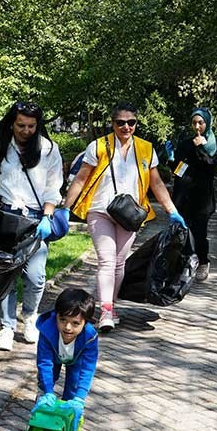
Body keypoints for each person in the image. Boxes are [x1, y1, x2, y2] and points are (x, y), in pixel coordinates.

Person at [61, 102, 186, 332]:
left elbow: (156, 182)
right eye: (121, 123)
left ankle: (112, 306)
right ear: (113, 124)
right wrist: (65, 208)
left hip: (130, 214)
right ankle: (106, 312)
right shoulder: (98, 146)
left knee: (120, 264)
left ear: (136, 124)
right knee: (107, 261)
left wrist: (173, 211)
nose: (126, 127)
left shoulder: (146, 148)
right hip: (100, 209)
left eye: (131, 123)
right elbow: (81, 178)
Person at [0, 101, 63, 349]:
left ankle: (30, 316)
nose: (26, 130)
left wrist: (47, 217)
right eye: (20, 125)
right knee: (5, 273)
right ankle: (6, 326)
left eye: (31, 126)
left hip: (36, 218)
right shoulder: (0, 146)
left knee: (36, 276)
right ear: (11, 123)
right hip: (5, 215)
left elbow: (52, 188)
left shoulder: (48, 149)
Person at [33, 287, 99, 430]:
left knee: (73, 386)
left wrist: (80, 398)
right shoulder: (47, 331)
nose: (68, 327)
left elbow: (88, 368)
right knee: (47, 377)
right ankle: (44, 398)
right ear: (56, 315)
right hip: (54, 356)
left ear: (85, 322)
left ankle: (69, 415)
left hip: (77, 360)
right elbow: (44, 362)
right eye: (62, 320)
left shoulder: (89, 337)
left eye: (75, 323)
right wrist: (48, 391)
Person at [171, 108, 217, 282]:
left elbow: (210, 166)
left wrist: (201, 147)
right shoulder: (185, 143)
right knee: (182, 232)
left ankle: (203, 261)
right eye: (194, 123)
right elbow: (178, 169)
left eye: (201, 122)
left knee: (199, 233)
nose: (197, 126)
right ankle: (184, 263)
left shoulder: (214, 144)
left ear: (207, 124)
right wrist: (170, 160)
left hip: (203, 197)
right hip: (184, 195)